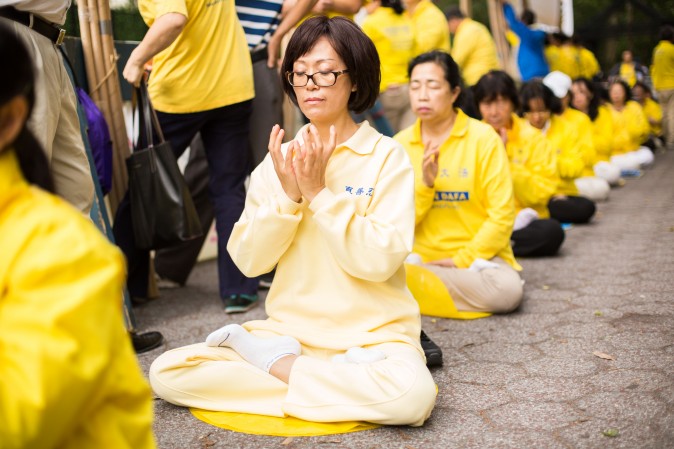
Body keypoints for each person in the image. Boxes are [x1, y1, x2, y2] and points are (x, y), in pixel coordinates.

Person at [149, 16, 437, 426]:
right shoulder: (279, 160)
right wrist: (288, 196)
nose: (310, 85)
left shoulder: (386, 157)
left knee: (410, 398)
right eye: (299, 74)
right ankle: (328, 383)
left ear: (355, 80)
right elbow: (249, 262)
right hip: (290, 336)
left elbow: (377, 262)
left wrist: (319, 194)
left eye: (325, 72)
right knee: (169, 373)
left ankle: (273, 369)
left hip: (374, 338)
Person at [0, 24, 156, 448]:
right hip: (31, 41)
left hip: (40, 41)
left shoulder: (56, 246)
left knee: (78, 193)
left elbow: (27, 412)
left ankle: (107, 322)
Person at [152, 0, 319, 290]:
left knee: (268, 163)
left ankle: (267, 266)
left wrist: (279, 35)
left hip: (256, 60)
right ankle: (171, 266)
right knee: (204, 166)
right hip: (215, 67)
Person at [119, 0, 258, 313]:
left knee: (144, 187)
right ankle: (239, 290)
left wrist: (136, 58)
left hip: (180, 94)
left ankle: (130, 288)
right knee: (229, 191)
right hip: (232, 87)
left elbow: (173, 18)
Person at [394, 50, 523, 313]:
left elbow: (502, 216)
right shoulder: (399, 144)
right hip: (418, 257)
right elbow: (396, 221)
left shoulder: (483, 138)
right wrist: (426, 186)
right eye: (415, 86)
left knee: (506, 290)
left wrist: (459, 260)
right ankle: (414, 289)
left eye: (432, 85)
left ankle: (407, 296)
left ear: (454, 93)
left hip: (476, 260)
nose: (422, 94)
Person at [0, 1, 94, 214]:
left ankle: (74, 246)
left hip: (48, 42)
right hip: (14, 32)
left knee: (75, 187)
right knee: (24, 180)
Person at [474, 70, 564, 257]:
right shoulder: (472, 136)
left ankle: (494, 246)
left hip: (522, 218)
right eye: (487, 103)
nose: (493, 112)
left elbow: (542, 193)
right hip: (481, 220)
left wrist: (504, 160)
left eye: (500, 102)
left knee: (552, 232)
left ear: (513, 103)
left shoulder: (533, 138)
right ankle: (495, 245)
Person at [520, 80, 597, 224]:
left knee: (586, 207)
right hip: (528, 196)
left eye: (542, 111)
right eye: (531, 111)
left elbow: (577, 167)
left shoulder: (566, 128)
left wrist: (550, 161)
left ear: (551, 107)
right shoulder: (518, 130)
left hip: (559, 194)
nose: (537, 117)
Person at [543, 71, 609, 201]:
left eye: (559, 97)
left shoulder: (580, 119)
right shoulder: (542, 120)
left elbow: (587, 156)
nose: (555, 101)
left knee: (602, 187)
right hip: (547, 179)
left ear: (568, 96)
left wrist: (558, 160)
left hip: (579, 177)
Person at [361, 0, 416, 134]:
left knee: (385, 143)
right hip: (408, 88)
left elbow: (362, 56)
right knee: (406, 141)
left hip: (385, 90)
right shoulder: (407, 20)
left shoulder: (371, 22)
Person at [570, 77, 622, 186]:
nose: (577, 97)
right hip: (577, 165)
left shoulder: (602, 113)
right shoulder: (568, 116)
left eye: (581, 92)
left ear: (591, 94)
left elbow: (606, 145)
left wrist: (585, 141)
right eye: (573, 94)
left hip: (599, 163)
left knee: (612, 173)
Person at [445, 6, 500, 87]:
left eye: (448, 25)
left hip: (478, 79)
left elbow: (457, 60)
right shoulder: (476, 26)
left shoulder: (466, 32)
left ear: (453, 20)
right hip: (491, 75)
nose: (449, 29)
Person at [606, 79, 652, 170]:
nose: (616, 94)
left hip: (633, 151)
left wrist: (636, 134)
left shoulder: (634, 107)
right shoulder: (605, 110)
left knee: (648, 155)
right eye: (613, 91)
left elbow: (644, 129)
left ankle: (626, 167)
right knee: (612, 161)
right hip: (614, 153)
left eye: (619, 91)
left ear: (625, 93)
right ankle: (629, 166)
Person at [502, 2, 549, 81]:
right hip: (537, 71)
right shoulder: (537, 33)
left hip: (533, 74)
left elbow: (514, 23)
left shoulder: (528, 35)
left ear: (522, 21)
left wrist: (506, 6)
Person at [651, 25, 674, 150]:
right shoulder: (672, 49)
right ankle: (672, 139)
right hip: (672, 85)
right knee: (672, 113)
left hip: (659, 86)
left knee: (664, 113)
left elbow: (653, 68)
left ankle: (664, 137)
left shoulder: (656, 50)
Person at [632, 81, 664, 150]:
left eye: (639, 91)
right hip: (638, 137)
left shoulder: (652, 105)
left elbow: (659, 121)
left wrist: (650, 120)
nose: (637, 93)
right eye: (635, 91)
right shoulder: (631, 106)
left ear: (645, 94)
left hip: (653, 135)